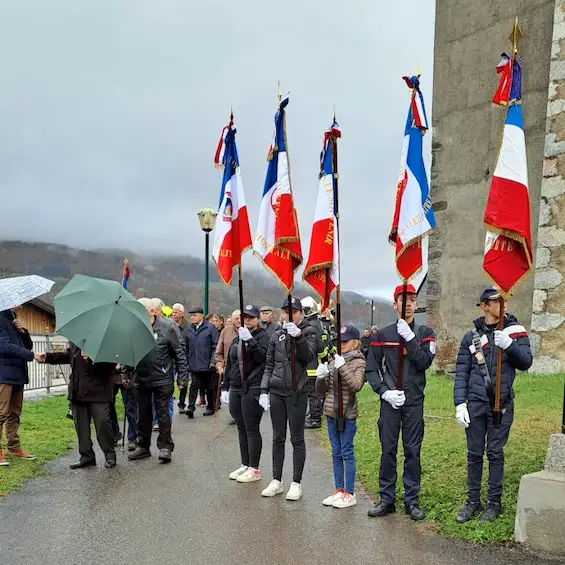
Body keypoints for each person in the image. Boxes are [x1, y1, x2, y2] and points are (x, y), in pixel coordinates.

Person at [453, 287, 532, 524]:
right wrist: (459, 403)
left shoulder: (516, 332)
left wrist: (509, 345)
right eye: (496, 301)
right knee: (474, 454)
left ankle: (493, 504)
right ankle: (472, 501)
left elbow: (526, 362)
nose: (502, 304)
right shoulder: (471, 337)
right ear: (484, 306)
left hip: (501, 404)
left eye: (503, 300)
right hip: (476, 403)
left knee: (495, 454)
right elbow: (462, 372)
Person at [366, 284, 435, 521]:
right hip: (390, 403)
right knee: (388, 450)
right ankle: (387, 498)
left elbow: (424, 362)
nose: (408, 304)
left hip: (414, 402)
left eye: (413, 300)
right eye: (403, 300)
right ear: (395, 304)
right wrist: (384, 392)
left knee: (413, 451)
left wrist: (411, 338)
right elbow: (372, 370)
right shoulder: (382, 336)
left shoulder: (426, 333)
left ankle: (411, 500)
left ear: (416, 304)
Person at [259, 296, 317, 501]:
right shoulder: (277, 335)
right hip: (276, 390)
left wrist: (299, 337)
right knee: (277, 437)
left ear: (300, 313)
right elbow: (269, 365)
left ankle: (296, 482)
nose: (288, 315)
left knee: (297, 438)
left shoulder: (309, 332)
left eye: (293, 311)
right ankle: (276, 480)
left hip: (296, 391)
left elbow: (308, 356)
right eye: (285, 311)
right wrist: (264, 390)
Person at [122, 297, 188, 463]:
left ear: (152, 311)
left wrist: (182, 377)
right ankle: (143, 446)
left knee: (163, 413)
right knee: (142, 414)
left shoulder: (168, 328)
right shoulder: (134, 329)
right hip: (141, 378)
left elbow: (179, 354)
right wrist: (125, 374)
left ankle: (165, 447)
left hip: (163, 378)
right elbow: (127, 353)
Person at [43, 346, 117, 468]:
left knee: (103, 423)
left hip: (99, 391)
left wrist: (94, 358)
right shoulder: (77, 340)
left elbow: (112, 364)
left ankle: (110, 455)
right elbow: (68, 354)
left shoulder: (104, 340)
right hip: (79, 390)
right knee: (81, 426)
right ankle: (86, 456)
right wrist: (47, 357)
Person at [316, 325, 366, 508]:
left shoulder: (359, 362)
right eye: (339, 342)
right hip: (330, 412)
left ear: (355, 342)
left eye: (345, 342)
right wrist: (320, 378)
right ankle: (339, 489)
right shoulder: (333, 361)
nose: (341, 345)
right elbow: (322, 391)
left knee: (347, 452)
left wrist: (342, 367)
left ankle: (350, 493)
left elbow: (356, 385)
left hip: (347, 414)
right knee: (336, 453)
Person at [220, 305, 270, 483]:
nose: (248, 320)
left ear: (258, 319)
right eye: (245, 317)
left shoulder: (263, 337)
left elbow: (263, 358)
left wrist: (250, 341)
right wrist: (224, 386)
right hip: (235, 386)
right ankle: (245, 463)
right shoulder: (237, 338)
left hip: (253, 386)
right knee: (241, 427)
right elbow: (230, 363)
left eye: (251, 317)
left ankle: (254, 468)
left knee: (251, 427)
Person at [0, 307, 42, 465]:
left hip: (18, 373)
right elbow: (4, 347)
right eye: (18, 302)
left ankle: (14, 446)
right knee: (1, 413)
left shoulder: (13, 318)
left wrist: (23, 331)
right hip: (4, 374)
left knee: (14, 414)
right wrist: (31, 356)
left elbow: (28, 345)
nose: (21, 305)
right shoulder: (0, 318)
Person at [302, 297, 332, 430]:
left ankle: (315, 418)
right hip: (317, 364)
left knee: (312, 393)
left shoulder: (310, 326)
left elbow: (318, 346)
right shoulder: (319, 323)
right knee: (315, 392)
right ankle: (315, 414)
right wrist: (325, 357)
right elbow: (325, 345)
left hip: (311, 365)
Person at [185, 307, 219, 418]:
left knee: (209, 387)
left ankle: (210, 407)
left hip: (207, 364)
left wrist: (213, 360)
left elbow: (216, 346)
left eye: (194, 315)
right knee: (194, 385)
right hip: (194, 363)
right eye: (191, 315)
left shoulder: (210, 328)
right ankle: (190, 407)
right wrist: (186, 361)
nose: (192, 317)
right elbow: (186, 347)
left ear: (201, 315)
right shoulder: (189, 329)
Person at [216, 310, 240, 424]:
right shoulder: (225, 331)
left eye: (241, 318)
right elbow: (218, 352)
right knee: (231, 394)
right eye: (236, 318)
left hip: (246, 370)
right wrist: (220, 364)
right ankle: (234, 414)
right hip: (229, 369)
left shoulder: (250, 331)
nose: (239, 320)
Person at [109, 365, 138, 451]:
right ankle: (114, 433)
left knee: (131, 407)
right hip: (110, 375)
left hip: (127, 374)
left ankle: (132, 437)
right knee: (108, 406)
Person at [172, 303, 190, 414]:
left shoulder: (188, 327)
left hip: (184, 357)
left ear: (182, 314)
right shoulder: (169, 324)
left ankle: (182, 404)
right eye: (173, 312)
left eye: (176, 312)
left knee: (184, 381)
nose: (174, 314)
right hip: (172, 358)